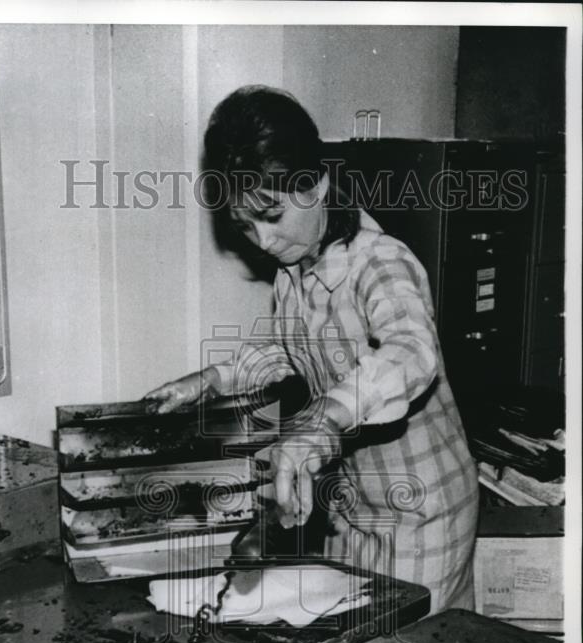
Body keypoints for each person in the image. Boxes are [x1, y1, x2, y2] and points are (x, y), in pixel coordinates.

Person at [144, 86, 478, 612]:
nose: (261, 241)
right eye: (243, 225)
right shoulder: (293, 273)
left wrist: (326, 418)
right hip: (352, 508)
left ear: (318, 185)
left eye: (271, 216)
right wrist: (210, 380)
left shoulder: (380, 263)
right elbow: (284, 350)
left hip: (423, 514)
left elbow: (412, 352)